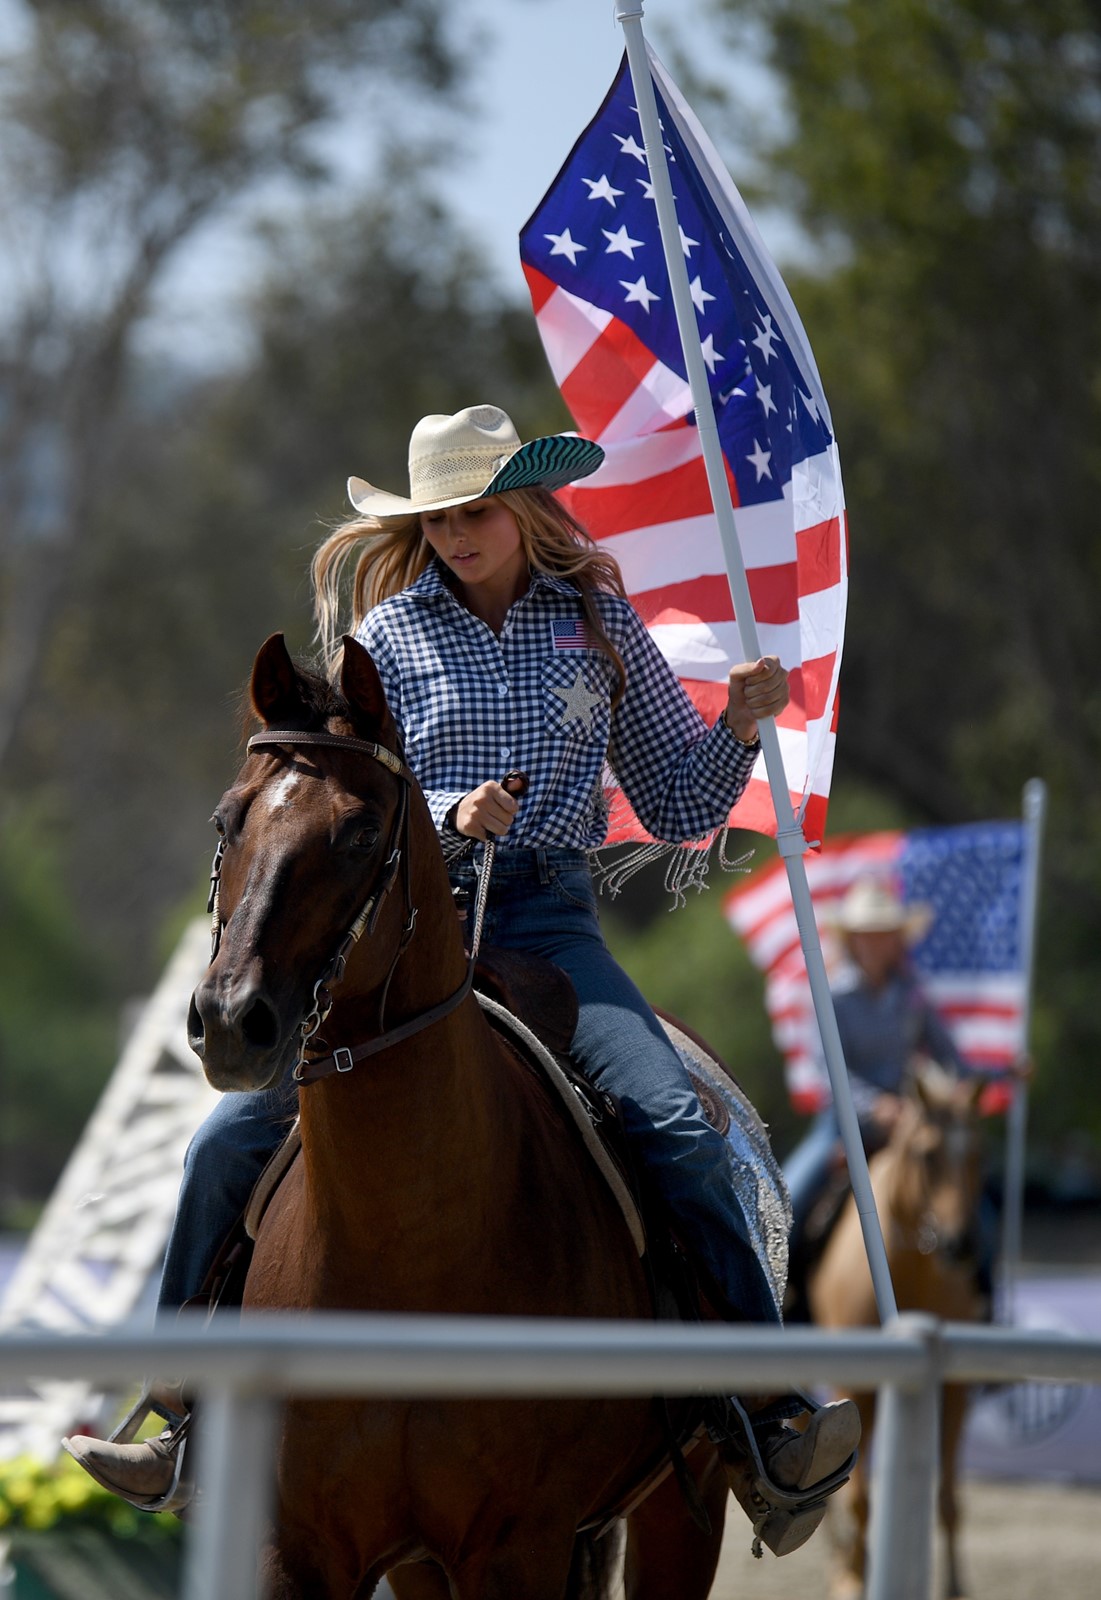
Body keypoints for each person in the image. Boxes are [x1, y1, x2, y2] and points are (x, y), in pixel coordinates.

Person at [66, 404, 858, 1555]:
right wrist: (445, 815)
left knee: (677, 1123)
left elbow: (682, 807)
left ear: (527, 507)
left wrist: (739, 728)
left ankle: (762, 1415)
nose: (454, 534)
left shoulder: (599, 626)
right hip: (400, 934)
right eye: (437, 517)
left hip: (551, 922)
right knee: (224, 1145)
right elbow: (350, 803)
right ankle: (173, 1407)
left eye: (474, 510)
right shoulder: (382, 641)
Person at [783, 875, 1004, 1313]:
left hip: (914, 1126)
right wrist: (875, 1105)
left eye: (886, 933)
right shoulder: (833, 997)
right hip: (843, 1127)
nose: (879, 942)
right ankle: (786, 1308)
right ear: (854, 940)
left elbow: (951, 1056)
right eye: (870, 934)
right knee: (789, 1201)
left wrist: (1002, 1073)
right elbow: (827, 1072)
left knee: (978, 1210)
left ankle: (983, 1306)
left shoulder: (912, 996)